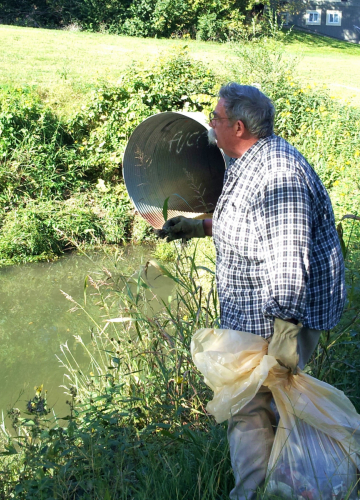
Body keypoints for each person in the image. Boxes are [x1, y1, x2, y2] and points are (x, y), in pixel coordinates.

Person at [157, 83, 347, 500]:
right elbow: (247, 225)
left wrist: (283, 343)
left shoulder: (279, 173)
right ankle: (277, 487)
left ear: (238, 126)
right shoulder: (246, 161)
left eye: (217, 118)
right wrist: (198, 226)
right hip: (250, 317)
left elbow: (287, 262)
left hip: (274, 320)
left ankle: (261, 491)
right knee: (259, 410)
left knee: (254, 408)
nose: (211, 123)